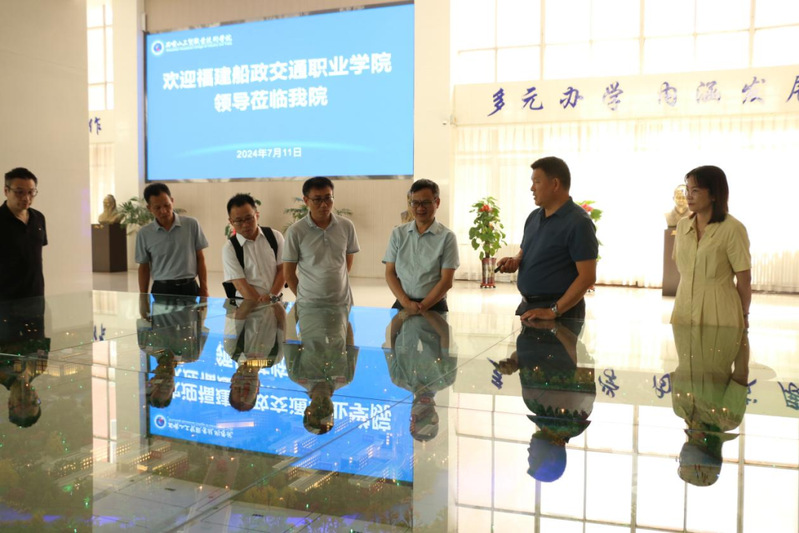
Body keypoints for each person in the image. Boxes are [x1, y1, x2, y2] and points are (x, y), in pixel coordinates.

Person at [497, 156, 598, 320]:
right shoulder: (533, 217)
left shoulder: (579, 222)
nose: (532, 188)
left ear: (555, 184)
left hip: (561, 313)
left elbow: (587, 277)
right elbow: (525, 251)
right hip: (529, 308)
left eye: (537, 182)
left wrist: (553, 311)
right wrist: (515, 260)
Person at [496, 318, 595, 482]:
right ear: (552, 457)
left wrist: (514, 362)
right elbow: (582, 359)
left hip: (531, 319)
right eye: (533, 458)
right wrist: (553, 325)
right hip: (562, 316)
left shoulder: (535, 407)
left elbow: (527, 358)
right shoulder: (577, 413)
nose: (529, 451)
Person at [671, 166, 751, 328]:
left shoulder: (733, 228)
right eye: (687, 190)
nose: (688, 196)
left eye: (695, 190)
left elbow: (744, 279)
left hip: (719, 313)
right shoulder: (683, 226)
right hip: (683, 310)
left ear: (714, 194)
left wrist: (744, 314)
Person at [670, 323, 750, 486]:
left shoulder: (680, 409)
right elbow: (741, 373)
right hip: (721, 332)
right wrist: (742, 330)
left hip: (685, 326)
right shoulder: (727, 418)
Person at [383, 179, 459, 313]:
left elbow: (446, 281)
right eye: (415, 202)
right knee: (392, 328)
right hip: (402, 303)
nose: (420, 208)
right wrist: (406, 303)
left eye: (426, 202)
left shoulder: (447, 237)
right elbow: (390, 272)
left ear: (437, 202)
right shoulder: (398, 234)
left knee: (437, 328)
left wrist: (422, 307)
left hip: (434, 306)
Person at [283, 177, 360, 307]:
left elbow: (347, 261)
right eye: (317, 200)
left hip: (342, 302)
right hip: (309, 305)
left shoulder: (346, 226)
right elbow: (289, 274)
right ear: (306, 201)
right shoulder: (295, 231)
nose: (324, 204)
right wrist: (304, 299)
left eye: (328, 198)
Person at [383, 309, 456, 441]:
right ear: (436, 417)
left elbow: (389, 336)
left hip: (405, 306)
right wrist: (424, 309)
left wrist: (407, 310)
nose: (422, 409)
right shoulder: (446, 379)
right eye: (426, 414)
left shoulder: (398, 378)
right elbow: (446, 334)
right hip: (434, 306)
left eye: (415, 417)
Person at [135, 183, 209, 297]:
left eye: (167, 205)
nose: (163, 211)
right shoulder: (144, 233)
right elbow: (144, 268)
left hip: (189, 288)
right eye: (157, 208)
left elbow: (200, 258)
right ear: (149, 208)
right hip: (161, 290)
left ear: (172, 201)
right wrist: (143, 297)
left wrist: (204, 289)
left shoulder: (191, 225)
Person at [222, 193, 285, 302]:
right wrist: (262, 305)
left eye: (249, 218)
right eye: (239, 221)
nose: (245, 225)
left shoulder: (275, 236)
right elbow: (240, 285)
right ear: (231, 222)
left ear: (257, 215)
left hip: (275, 301)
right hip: (247, 305)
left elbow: (283, 270)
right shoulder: (230, 248)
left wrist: (271, 296)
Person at [0, 167, 47, 301]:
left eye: (31, 192)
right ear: (6, 191)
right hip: (6, 299)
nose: (26, 198)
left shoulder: (38, 218)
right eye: (19, 192)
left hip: (36, 295)